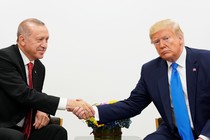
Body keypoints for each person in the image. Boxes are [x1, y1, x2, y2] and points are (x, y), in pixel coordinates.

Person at [73, 19, 210, 140]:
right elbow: (133, 104)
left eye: (166, 38)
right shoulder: (151, 70)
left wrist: (204, 137)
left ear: (180, 38)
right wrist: (93, 111)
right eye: (156, 41)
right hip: (174, 133)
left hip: (206, 129)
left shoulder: (206, 60)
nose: (161, 45)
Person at [0, 18, 94, 140]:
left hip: (25, 129)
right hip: (4, 125)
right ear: (22, 40)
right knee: (15, 137)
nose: (44, 45)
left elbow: (36, 97)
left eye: (47, 40)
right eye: (40, 39)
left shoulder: (39, 67)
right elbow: (24, 94)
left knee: (57, 132)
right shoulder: (4, 58)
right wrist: (69, 104)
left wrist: (41, 109)